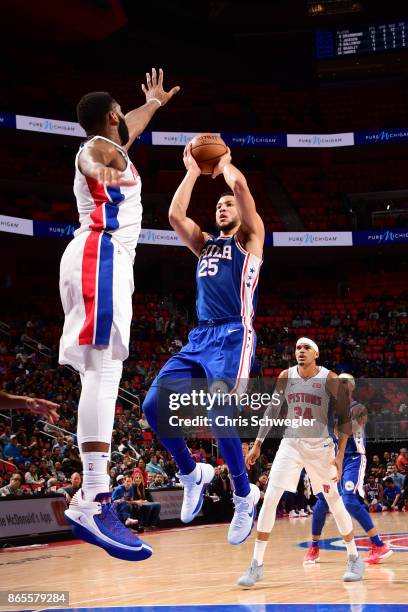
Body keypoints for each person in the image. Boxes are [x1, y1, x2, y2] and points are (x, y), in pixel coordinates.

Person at [60, 68, 179, 562]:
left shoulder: (116, 142)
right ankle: (91, 496)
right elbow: (95, 153)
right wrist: (101, 163)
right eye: (120, 116)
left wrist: (152, 104)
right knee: (101, 374)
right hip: (99, 254)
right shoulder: (93, 150)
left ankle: (94, 494)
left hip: (107, 261)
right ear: (109, 117)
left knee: (105, 374)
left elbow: (127, 128)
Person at [142, 143, 265, 545]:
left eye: (227, 204)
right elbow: (176, 215)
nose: (222, 208)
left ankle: (244, 495)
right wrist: (193, 170)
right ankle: (191, 472)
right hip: (200, 336)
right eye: (219, 206)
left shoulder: (250, 239)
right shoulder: (205, 244)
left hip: (233, 334)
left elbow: (243, 190)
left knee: (219, 409)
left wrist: (226, 166)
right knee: (151, 405)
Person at [238, 338, 364, 586]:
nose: (301, 351)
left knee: (334, 501)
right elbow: (272, 411)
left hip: (321, 448)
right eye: (298, 348)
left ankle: (354, 558)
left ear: (316, 353)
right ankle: (256, 564)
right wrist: (257, 444)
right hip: (291, 443)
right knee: (270, 498)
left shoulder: (330, 378)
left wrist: (339, 457)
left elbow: (344, 419)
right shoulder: (286, 376)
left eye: (306, 348)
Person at [303, 373, 392, 566]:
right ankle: (314, 547)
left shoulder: (358, 408)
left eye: (343, 382)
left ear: (351, 386)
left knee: (349, 501)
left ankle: (378, 545)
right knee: (322, 502)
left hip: (353, 459)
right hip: (332, 460)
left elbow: (347, 429)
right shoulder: (329, 409)